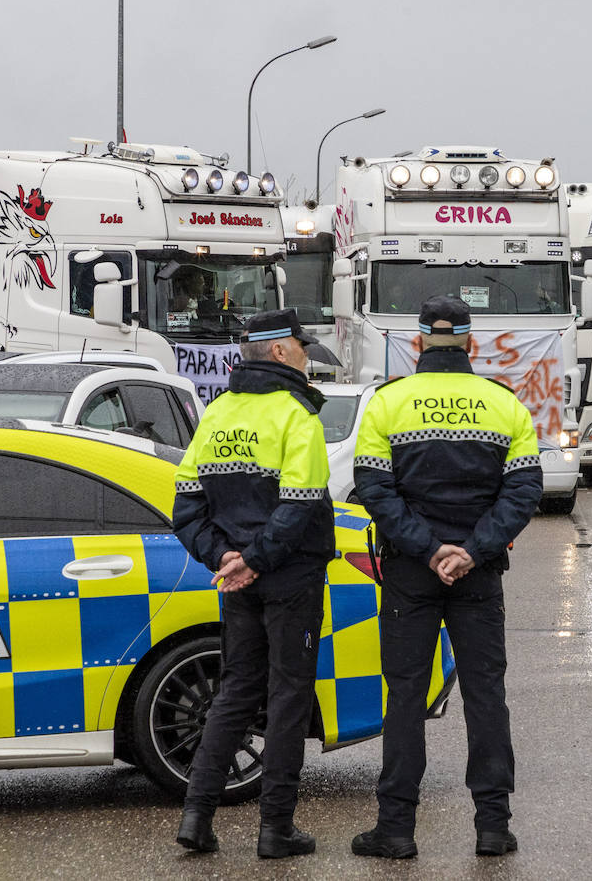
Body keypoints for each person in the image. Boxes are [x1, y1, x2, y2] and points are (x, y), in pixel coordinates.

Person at [351, 294, 543, 860]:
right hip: (479, 576)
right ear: (470, 342)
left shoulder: (389, 402)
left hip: (411, 571)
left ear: (417, 342)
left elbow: (373, 489)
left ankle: (396, 829)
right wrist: (471, 551)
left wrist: (429, 550)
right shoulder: (503, 404)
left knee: (406, 696)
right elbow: (524, 492)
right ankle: (492, 826)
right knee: (486, 694)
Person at [172, 308, 335, 860]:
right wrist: (258, 560)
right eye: (303, 346)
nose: (308, 355)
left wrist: (227, 558)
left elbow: (187, 507)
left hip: (239, 580)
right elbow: (299, 507)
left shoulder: (216, 414)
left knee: (237, 690)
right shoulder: (298, 416)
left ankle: (196, 817)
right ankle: (276, 829)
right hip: (289, 577)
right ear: (283, 352)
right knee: (289, 696)